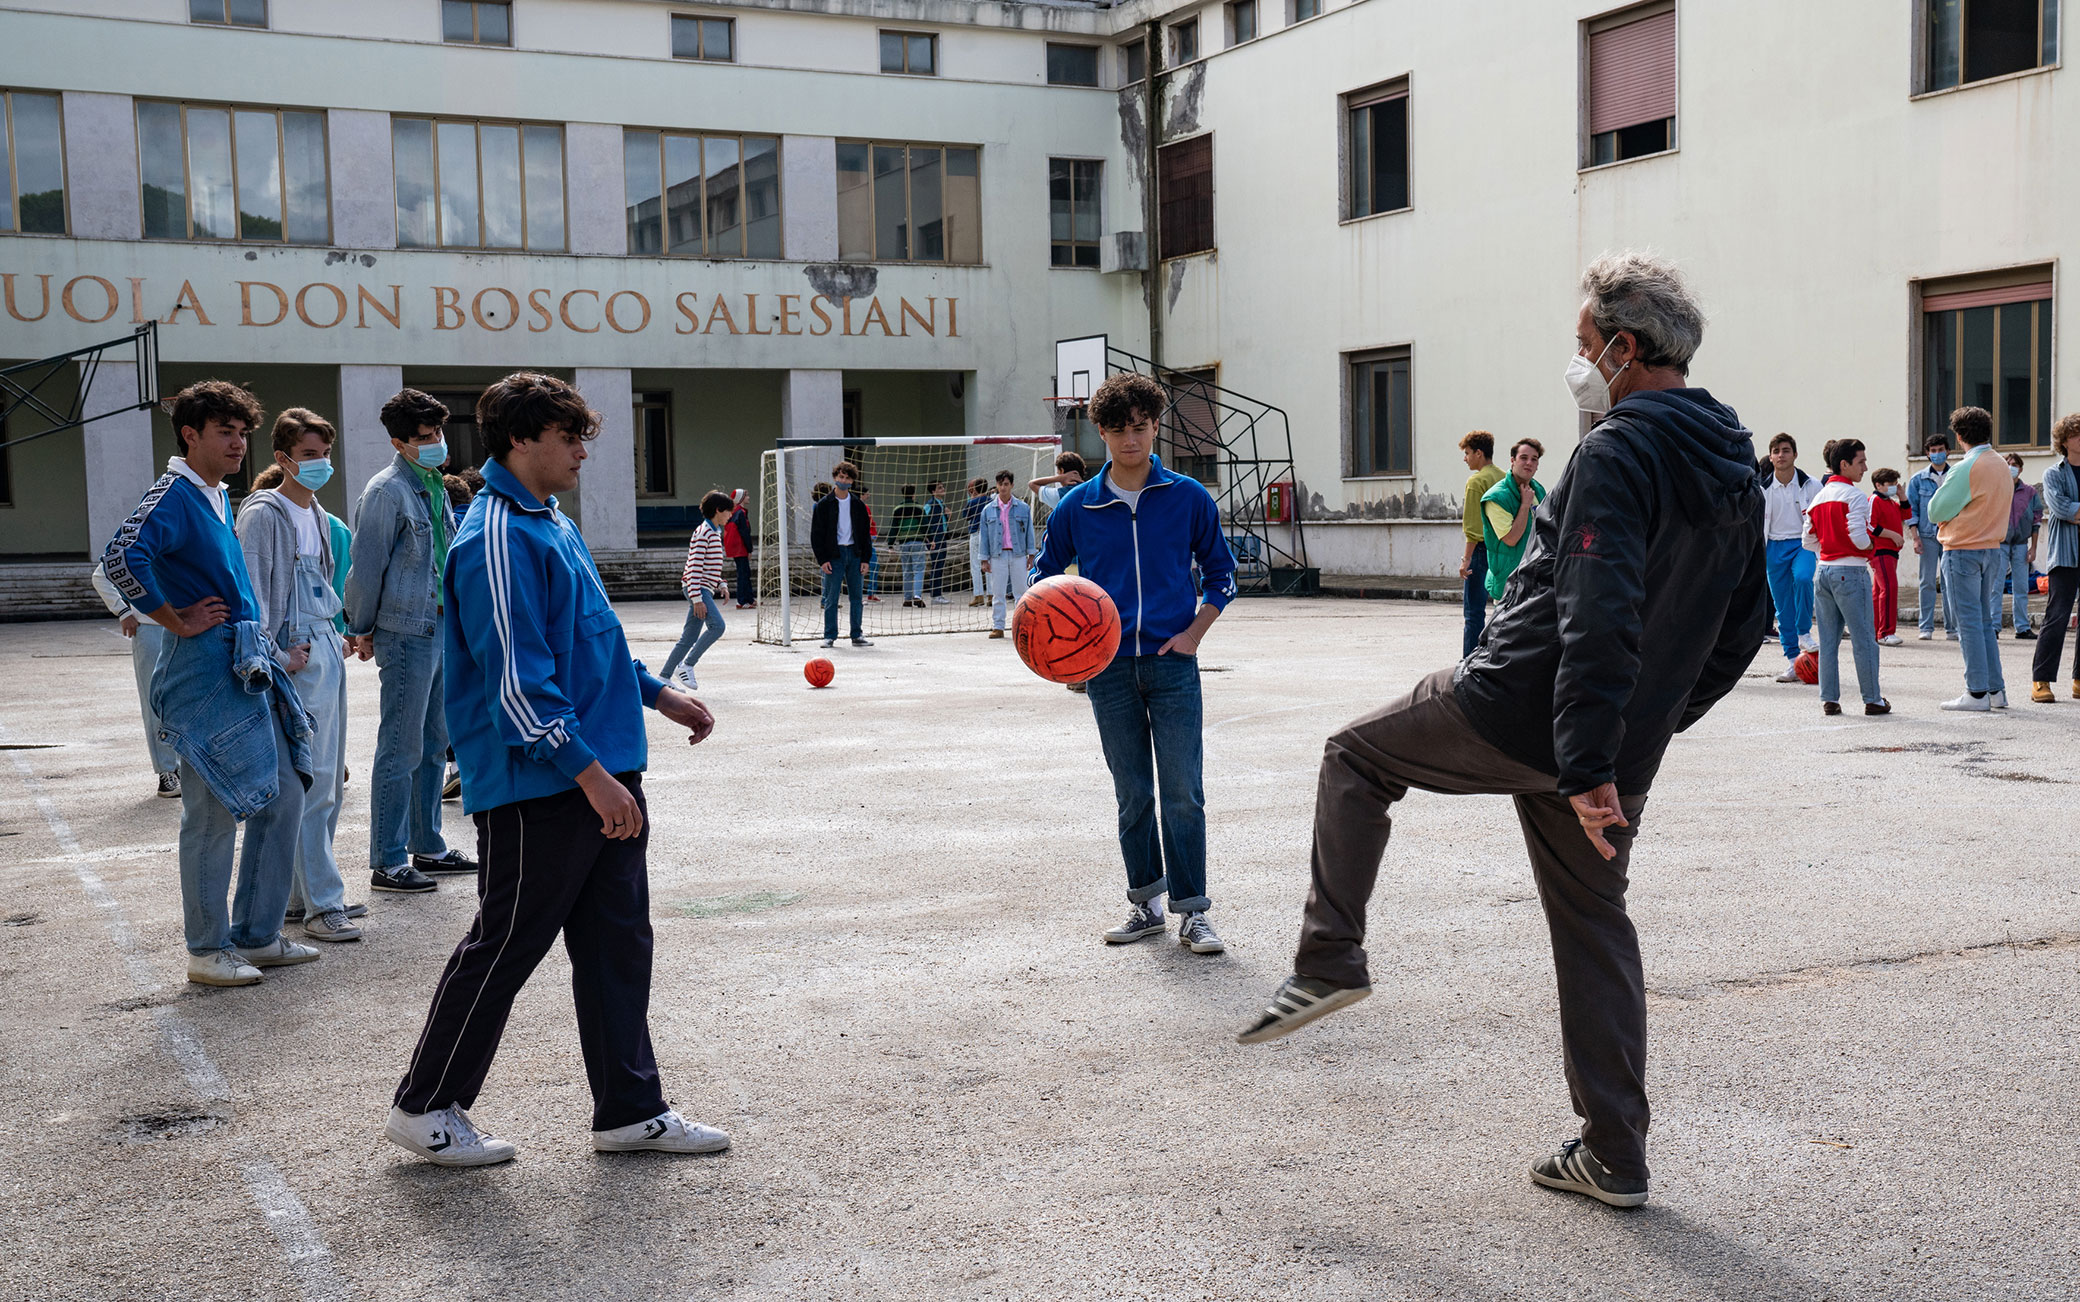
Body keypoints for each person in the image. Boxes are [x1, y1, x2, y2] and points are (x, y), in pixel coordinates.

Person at [1239, 253, 1768, 1211]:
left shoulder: (1615, 450)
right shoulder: (1734, 464)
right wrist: (1640, 734)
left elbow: (1596, 610)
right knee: (1593, 926)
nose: (1578, 363)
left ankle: (1327, 960)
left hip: (1521, 709)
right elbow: (1743, 625)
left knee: (1355, 754)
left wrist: (1592, 755)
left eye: (1583, 346)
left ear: (1625, 346)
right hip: (1601, 746)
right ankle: (1614, 1155)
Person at [385, 371, 727, 1167]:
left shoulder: (551, 522)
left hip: (598, 768)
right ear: (516, 439)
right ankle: (425, 1105)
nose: (581, 450)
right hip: (543, 781)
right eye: (566, 436)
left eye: (583, 435)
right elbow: (517, 681)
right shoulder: (496, 534)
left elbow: (592, 638)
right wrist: (588, 774)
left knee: (616, 944)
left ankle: (630, 1110)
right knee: (506, 945)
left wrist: (658, 694)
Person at [102, 381, 320, 987]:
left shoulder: (216, 494)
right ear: (190, 434)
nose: (239, 443)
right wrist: (173, 617)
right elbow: (121, 557)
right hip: (201, 668)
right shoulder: (172, 493)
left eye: (244, 432)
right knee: (210, 812)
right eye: (226, 432)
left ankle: (255, 935)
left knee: (284, 795)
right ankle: (206, 949)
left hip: (246, 659)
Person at [1032, 372, 1238, 955]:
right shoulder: (1079, 505)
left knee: (1182, 791)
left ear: (1155, 427)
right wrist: (1062, 643)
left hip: (1173, 665)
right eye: (1119, 429)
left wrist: (1196, 632)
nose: (1131, 439)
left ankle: (1193, 912)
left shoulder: (1190, 497)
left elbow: (1223, 574)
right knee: (1132, 793)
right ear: (1100, 431)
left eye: (1141, 428)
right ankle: (1145, 903)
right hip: (1109, 670)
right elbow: (1042, 574)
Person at [235, 409, 361, 943]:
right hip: (296, 655)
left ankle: (299, 895)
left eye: (324, 454)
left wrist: (340, 630)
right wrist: (274, 657)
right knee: (313, 781)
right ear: (282, 458)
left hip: (324, 647)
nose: (320, 464)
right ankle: (322, 904)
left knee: (327, 774)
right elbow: (253, 594)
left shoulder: (316, 514)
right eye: (309, 455)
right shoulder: (265, 512)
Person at [344, 388, 477, 894]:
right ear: (398, 442)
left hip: (439, 625)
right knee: (399, 747)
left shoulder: (434, 485)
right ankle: (387, 858)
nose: (435, 442)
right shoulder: (385, 492)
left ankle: (429, 844)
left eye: (438, 433)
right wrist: (360, 626)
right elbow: (366, 566)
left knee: (431, 743)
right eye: (423, 437)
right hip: (405, 630)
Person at [1927, 407, 2011, 711]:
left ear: (1959, 435)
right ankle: (1994, 690)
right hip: (1992, 547)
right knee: (1985, 621)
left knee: (1969, 623)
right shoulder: (2001, 463)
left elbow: (1935, 511)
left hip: (1963, 548)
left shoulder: (1966, 467)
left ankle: (1976, 692)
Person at [1803, 439, 1887, 716]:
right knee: (1864, 639)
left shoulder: (1818, 497)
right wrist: (1871, 547)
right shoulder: (1855, 496)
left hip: (1824, 570)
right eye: (1861, 461)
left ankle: (1829, 699)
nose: (1865, 467)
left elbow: (1808, 540)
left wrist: (1829, 548)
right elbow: (1861, 538)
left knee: (1828, 641)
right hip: (1850, 572)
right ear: (1845, 464)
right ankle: (1872, 699)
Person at [90, 561, 181, 798]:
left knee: (188, 699)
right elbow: (101, 575)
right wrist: (122, 611)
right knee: (155, 702)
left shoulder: (186, 528)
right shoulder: (136, 534)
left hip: (187, 626)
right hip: (150, 628)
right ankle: (167, 771)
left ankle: (190, 768)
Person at [1760, 433, 1820, 680]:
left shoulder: (1811, 484)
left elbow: (1820, 517)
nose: (1780, 455)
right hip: (1774, 547)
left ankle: (1804, 631)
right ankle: (1793, 661)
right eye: (1776, 451)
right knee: (1782, 607)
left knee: (1804, 578)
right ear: (1771, 457)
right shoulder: (1762, 489)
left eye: (1785, 450)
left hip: (1802, 544)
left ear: (1795, 454)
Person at [2030, 413, 2080, 703]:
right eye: (2075, 434)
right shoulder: (2054, 473)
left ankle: (2078, 679)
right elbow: (2061, 509)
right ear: (2064, 441)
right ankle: (2041, 679)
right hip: (2065, 555)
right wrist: (2073, 513)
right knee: (2057, 617)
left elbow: (2073, 510)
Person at [661, 491, 732, 690]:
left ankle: (664, 676)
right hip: (697, 588)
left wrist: (721, 583)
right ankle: (687, 665)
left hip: (703, 588)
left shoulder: (714, 532)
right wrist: (697, 598)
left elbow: (710, 567)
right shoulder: (704, 533)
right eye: (728, 511)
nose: (730, 515)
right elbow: (693, 567)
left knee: (689, 637)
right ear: (718, 510)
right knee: (717, 626)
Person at [810, 461, 874, 649]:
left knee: (856, 597)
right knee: (831, 597)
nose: (843, 480)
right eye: (841, 477)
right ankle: (829, 635)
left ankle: (857, 634)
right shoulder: (824, 504)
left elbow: (865, 534)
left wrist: (865, 559)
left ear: (852, 481)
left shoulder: (858, 505)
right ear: (835, 478)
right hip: (834, 555)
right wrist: (822, 559)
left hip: (854, 554)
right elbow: (817, 535)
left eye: (847, 478)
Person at [1479, 438, 1546, 602]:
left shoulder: (1538, 490)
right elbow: (1511, 539)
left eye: (1534, 459)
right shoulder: (1497, 497)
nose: (1529, 463)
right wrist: (1525, 505)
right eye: (1523, 458)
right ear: (1512, 461)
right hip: (1510, 581)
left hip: (1536, 578)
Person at [1457, 431, 1506, 656]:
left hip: (1480, 550)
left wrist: (1466, 559)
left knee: (1474, 613)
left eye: (1467, 453)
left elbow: (1474, 529)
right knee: (1503, 609)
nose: (1465, 459)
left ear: (1479, 453)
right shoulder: (1505, 477)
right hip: (1505, 548)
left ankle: (1469, 662)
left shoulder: (1476, 482)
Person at [1907, 434, 1957, 640]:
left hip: (1952, 536)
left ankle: (1952, 628)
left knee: (1950, 583)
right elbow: (1911, 511)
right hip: (1927, 536)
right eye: (1933, 451)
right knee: (1926, 582)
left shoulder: (1956, 475)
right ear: (1927, 453)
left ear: (1948, 451)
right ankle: (1925, 627)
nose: (1937, 454)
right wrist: (1915, 538)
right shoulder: (1918, 480)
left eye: (1940, 450)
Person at [979, 470, 1035, 639]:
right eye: (1000, 484)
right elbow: (984, 536)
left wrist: (1031, 555)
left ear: (1011, 485)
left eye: (1006, 484)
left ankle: (1021, 626)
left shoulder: (1023, 507)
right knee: (998, 592)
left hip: (1018, 554)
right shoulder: (988, 510)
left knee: (1021, 592)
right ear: (996, 485)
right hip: (998, 556)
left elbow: (1029, 532)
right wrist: (984, 558)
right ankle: (998, 626)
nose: (1003, 488)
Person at [2001, 452, 2043, 640]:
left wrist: (2033, 548)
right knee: (1995, 587)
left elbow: (2036, 521)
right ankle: (1994, 626)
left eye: (2015, 464)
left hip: (2020, 545)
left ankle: (2022, 627)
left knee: (2021, 587)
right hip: (1999, 544)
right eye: (2008, 464)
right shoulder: (1997, 489)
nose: (2011, 467)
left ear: (2021, 468)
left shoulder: (2030, 492)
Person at [1868, 468, 1908, 645]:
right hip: (1880, 551)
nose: (1894, 487)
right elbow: (1870, 526)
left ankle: (1876, 629)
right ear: (1879, 485)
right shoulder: (1874, 500)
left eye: (1895, 483)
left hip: (1891, 552)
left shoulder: (1891, 503)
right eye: (1890, 484)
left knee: (1878, 592)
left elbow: (1907, 514)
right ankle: (1885, 632)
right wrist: (1892, 535)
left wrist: (1902, 496)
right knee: (1889, 589)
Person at [890, 485, 930, 608]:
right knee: (918, 569)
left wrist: (890, 544)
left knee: (906, 571)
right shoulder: (919, 508)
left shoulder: (897, 509)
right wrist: (930, 540)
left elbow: (894, 528)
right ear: (914, 494)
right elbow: (925, 526)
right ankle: (917, 596)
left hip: (903, 542)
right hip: (917, 541)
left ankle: (907, 599)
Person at [724, 489, 755, 609]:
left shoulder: (734, 512)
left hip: (736, 548)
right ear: (741, 498)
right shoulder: (740, 513)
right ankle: (741, 600)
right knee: (743, 574)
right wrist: (749, 549)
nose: (748, 497)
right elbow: (745, 533)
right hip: (740, 548)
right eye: (746, 495)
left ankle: (749, 599)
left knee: (744, 573)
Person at [923, 481, 952, 605]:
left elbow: (943, 522)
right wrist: (928, 539)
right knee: (936, 565)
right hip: (935, 539)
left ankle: (938, 594)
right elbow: (923, 519)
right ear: (933, 492)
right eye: (939, 488)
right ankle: (935, 595)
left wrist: (948, 516)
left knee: (940, 565)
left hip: (942, 537)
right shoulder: (930, 505)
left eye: (943, 487)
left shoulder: (941, 504)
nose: (943, 489)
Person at [963, 478, 990, 606]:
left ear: (974, 489)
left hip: (975, 533)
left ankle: (978, 595)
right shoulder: (991, 501)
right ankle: (991, 595)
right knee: (990, 565)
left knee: (975, 565)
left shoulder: (972, 502)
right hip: (988, 534)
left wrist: (972, 498)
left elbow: (966, 516)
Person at [860, 486, 883, 603]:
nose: (869, 495)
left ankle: (871, 593)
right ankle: (858, 595)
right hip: (862, 542)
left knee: (874, 565)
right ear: (862, 494)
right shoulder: (856, 507)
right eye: (867, 493)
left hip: (869, 541)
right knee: (859, 568)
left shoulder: (866, 507)